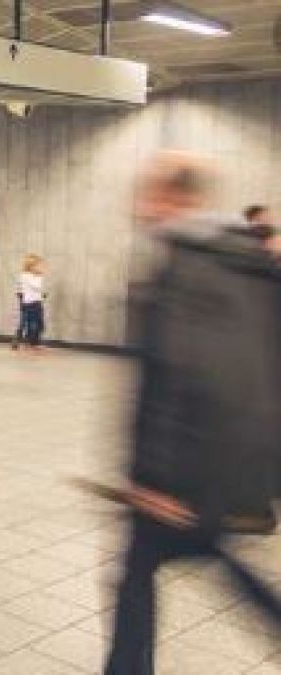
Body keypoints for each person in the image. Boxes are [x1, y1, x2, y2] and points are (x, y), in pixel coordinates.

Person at [104, 153, 281, 675]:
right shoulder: (250, 262)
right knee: (206, 560)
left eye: (150, 194)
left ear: (175, 198)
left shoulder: (187, 266)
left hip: (183, 467)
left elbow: (177, 372)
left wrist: (153, 476)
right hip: (231, 454)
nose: (141, 207)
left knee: (140, 574)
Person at [18, 253, 45, 350]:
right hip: (30, 303)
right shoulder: (26, 276)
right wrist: (39, 276)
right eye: (39, 265)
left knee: (39, 323)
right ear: (31, 266)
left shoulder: (34, 276)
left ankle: (34, 341)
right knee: (32, 323)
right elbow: (37, 287)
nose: (41, 267)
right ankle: (31, 342)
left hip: (37, 301)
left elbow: (38, 289)